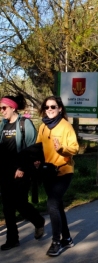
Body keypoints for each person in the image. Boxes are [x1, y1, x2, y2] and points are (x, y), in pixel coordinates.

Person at [35, 96, 79, 256]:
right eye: (47, 107)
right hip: (48, 172)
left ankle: (56, 242)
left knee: (52, 204)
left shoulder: (66, 126)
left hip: (63, 171)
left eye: (53, 107)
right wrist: (36, 161)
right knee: (58, 206)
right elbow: (39, 147)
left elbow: (74, 148)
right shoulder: (43, 127)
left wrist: (61, 149)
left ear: (60, 108)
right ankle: (67, 239)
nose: (50, 110)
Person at [0, 94, 45, 251]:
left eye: (4, 108)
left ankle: (38, 221)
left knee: (20, 203)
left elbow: (33, 149)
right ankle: (12, 239)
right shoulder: (3, 125)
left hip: (21, 171)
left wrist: (23, 168)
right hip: (5, 172)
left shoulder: (25, 124)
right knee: (7, 207)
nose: (1, 111)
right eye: (0, 108)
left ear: (13, 107)